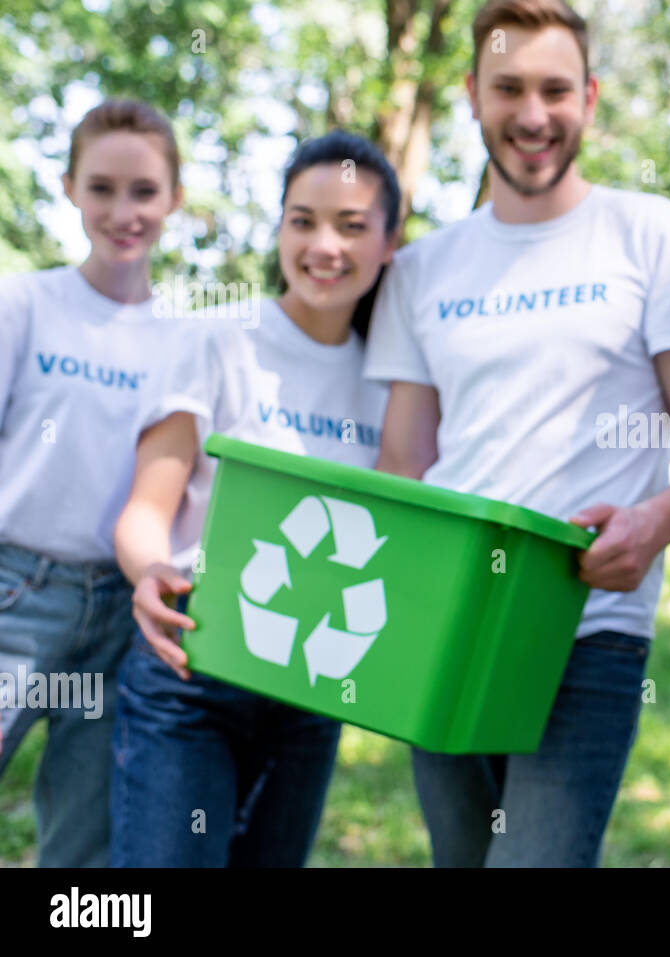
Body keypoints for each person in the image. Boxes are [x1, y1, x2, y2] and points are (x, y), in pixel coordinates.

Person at [366, 0, 670, 867]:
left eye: (554, 89)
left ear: (591, 98)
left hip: (586, 622)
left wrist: (654, 524)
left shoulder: (661, 236)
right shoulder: (420, 268)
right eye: (508, 88)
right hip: (446, 624)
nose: (532, 115)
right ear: (471, 93)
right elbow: (402, 465)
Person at [110, 131, 396, 867]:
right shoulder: (220, 339)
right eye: (302, 220)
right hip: (193, 671)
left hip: (312, 690)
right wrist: (148, 571)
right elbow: (147, 508)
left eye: (352, 225)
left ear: (391, 243)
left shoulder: (395, 382)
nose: (323, 244)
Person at [0, 99, 182, 867]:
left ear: (173, 198)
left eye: (143, 191)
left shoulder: (185, 336)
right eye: (101, 187)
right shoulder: (25, 305)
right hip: (16, 592)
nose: (123, 211)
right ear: (71, 188)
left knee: (85, 843)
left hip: (120, 614)